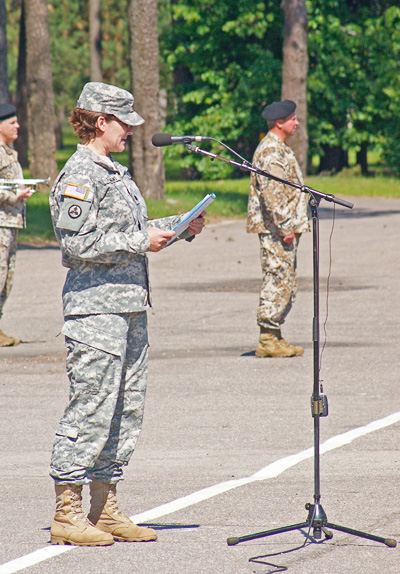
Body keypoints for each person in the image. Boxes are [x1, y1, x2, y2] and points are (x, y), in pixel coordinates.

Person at [49, 82, 205, 547]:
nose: (131, 133)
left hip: (129, 308)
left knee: (124, 409)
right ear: (100, 121)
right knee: (90, 407)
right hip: (95, 312)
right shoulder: (79, 175)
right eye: (124, 124)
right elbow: (76, 245)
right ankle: (67, 509)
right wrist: (141, 241)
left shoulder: (114, 172)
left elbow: (130, 230)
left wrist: (177, 227)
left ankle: (105, 504)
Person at [247, 99, 309, 358]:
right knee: (277, 279)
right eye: (292, 118)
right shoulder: (271, 151)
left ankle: (275, 335)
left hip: (283, 227)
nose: (297, 122)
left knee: (285, 281)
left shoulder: (279, 148)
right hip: (277, 229)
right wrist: (285, 226)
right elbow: (272, 193)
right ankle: (267, 339)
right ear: (279, 122)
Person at [0, 104, 33, 347]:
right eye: (12, 123)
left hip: (10, 223)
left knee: (6, 278)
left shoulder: (8, 152)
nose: (17, 126)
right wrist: (14, 196)